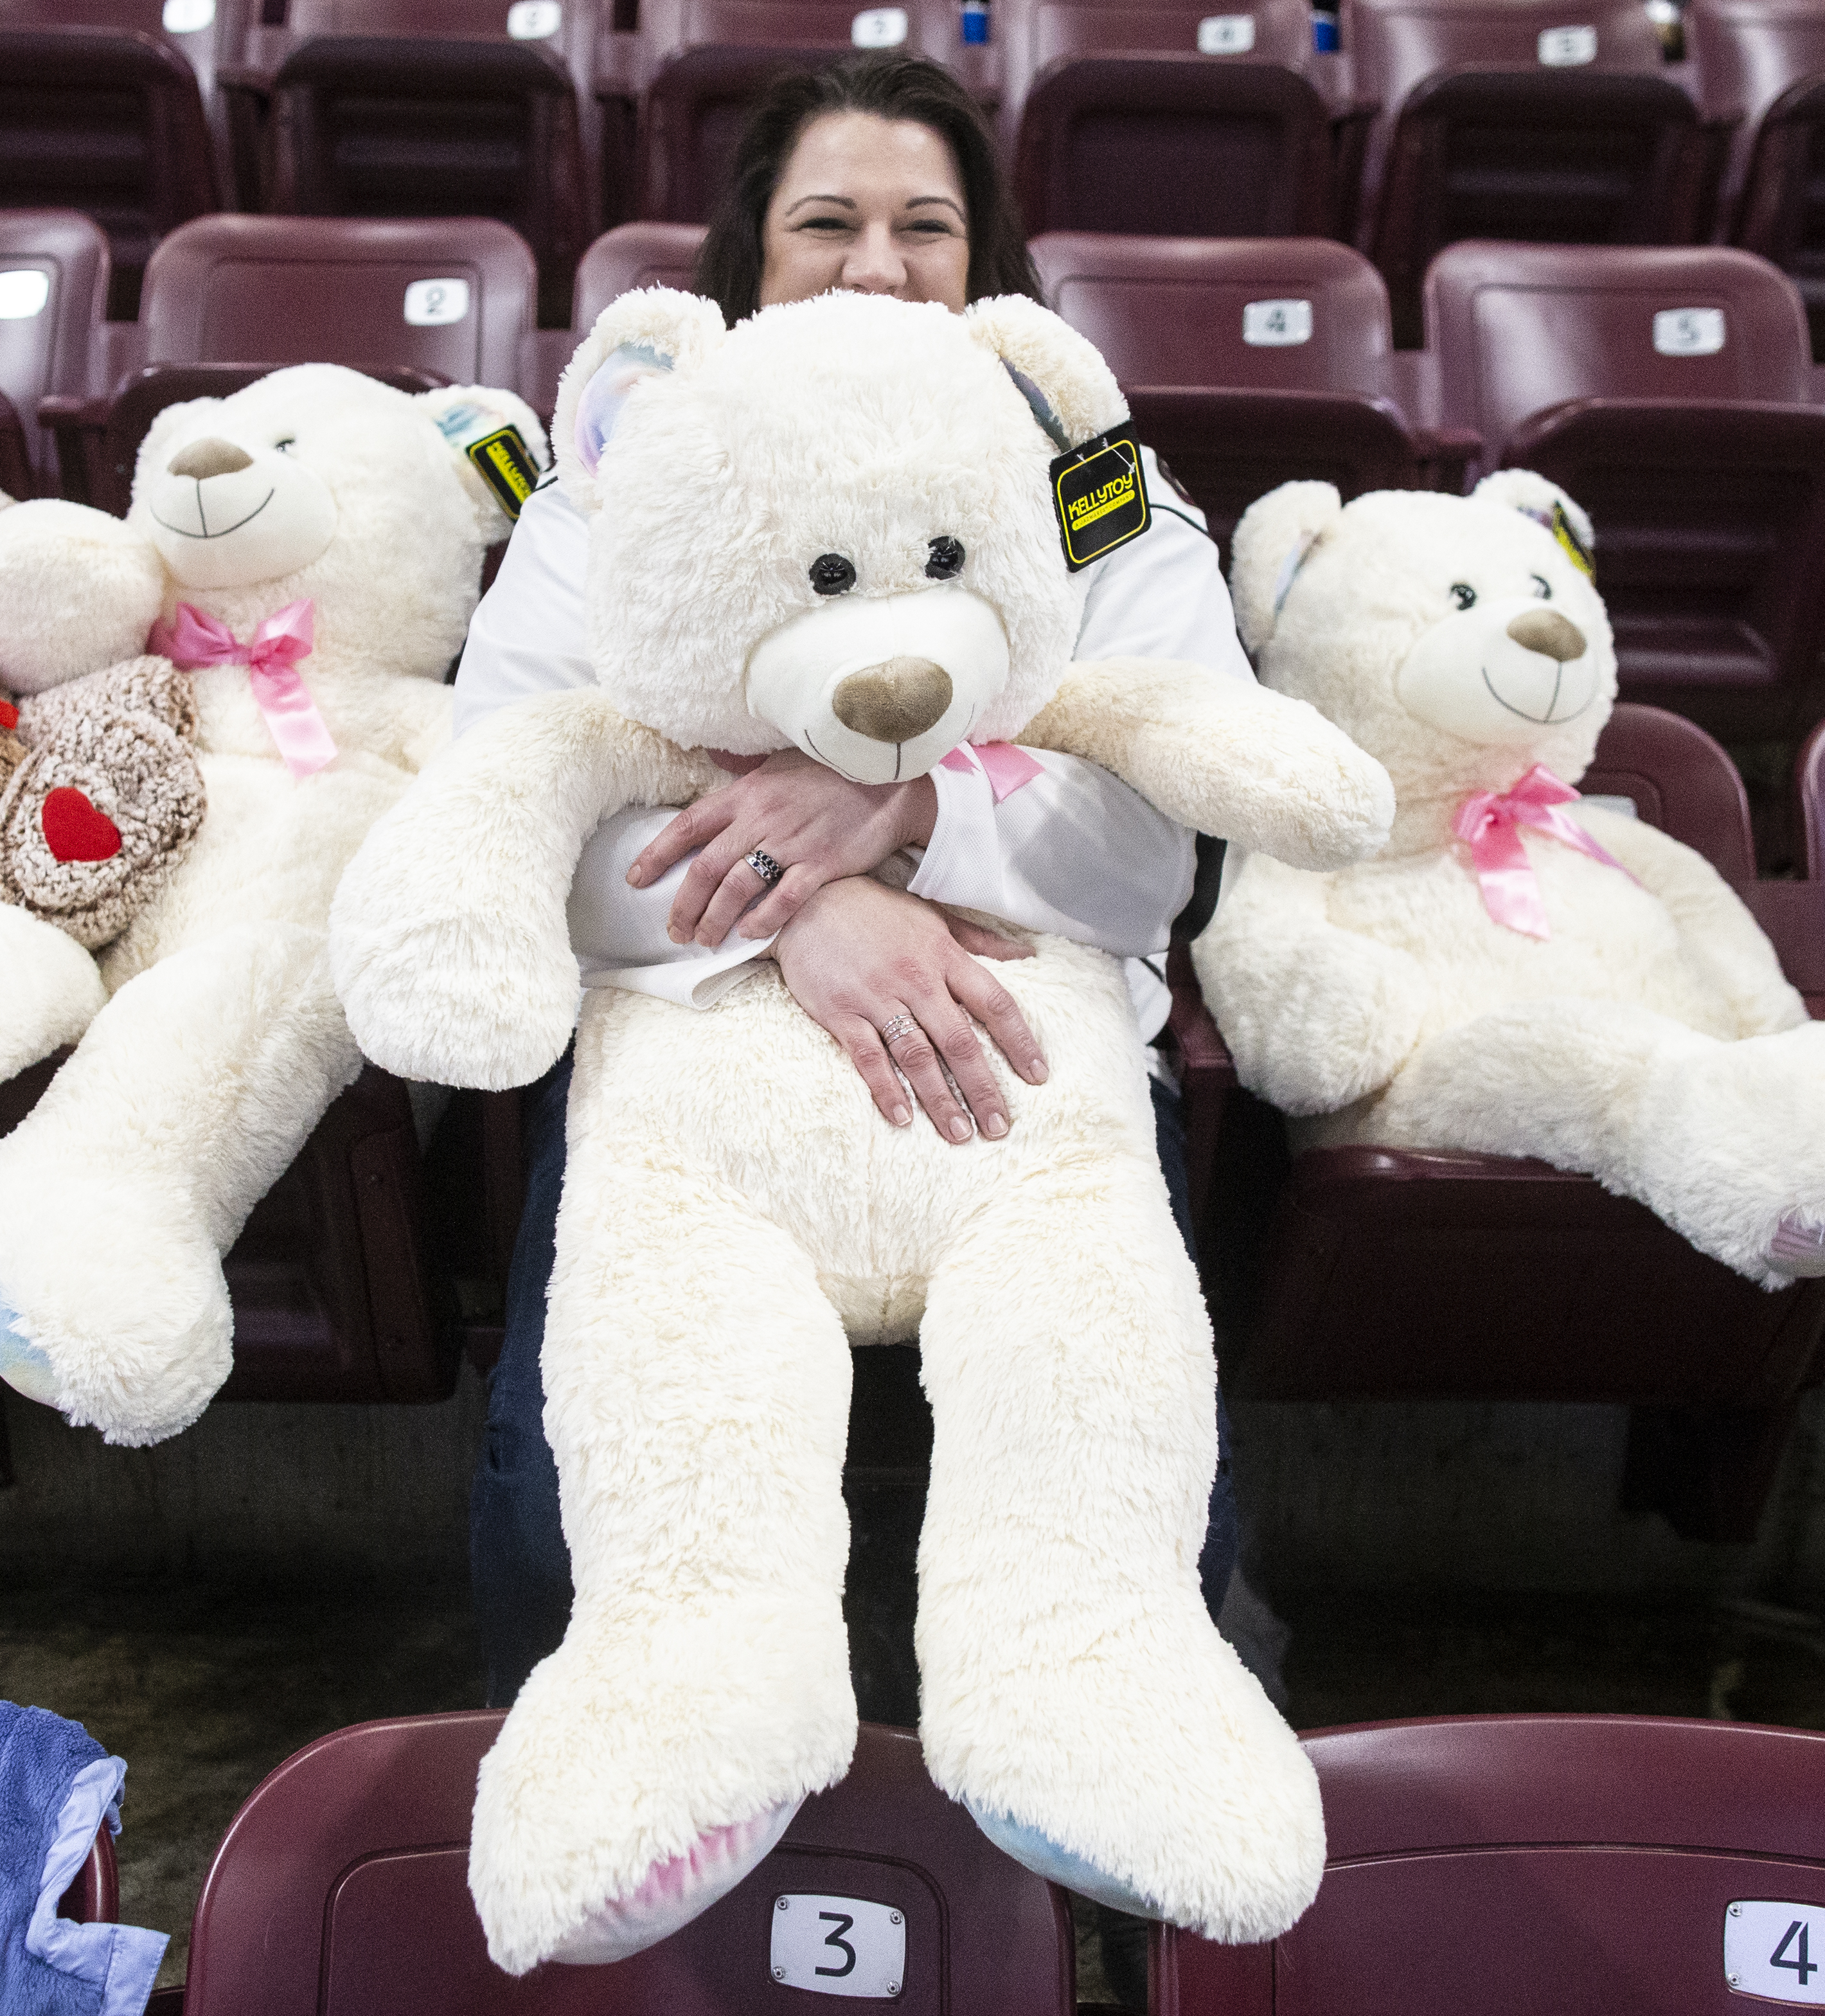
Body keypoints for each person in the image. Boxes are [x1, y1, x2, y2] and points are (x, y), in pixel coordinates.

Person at [455, 51, 1260, 1716]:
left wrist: (900, 812)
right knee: (563, 1539)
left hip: (1026, 1051)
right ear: (749, 258)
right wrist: (807, 897)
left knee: (1148, 1547)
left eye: (925, 226)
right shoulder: (617, 474)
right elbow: (507, 803)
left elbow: (1153, 840)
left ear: (990, 268)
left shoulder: (1095, 486)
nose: (877, 263)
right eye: (826, 221)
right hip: (686, 1050)